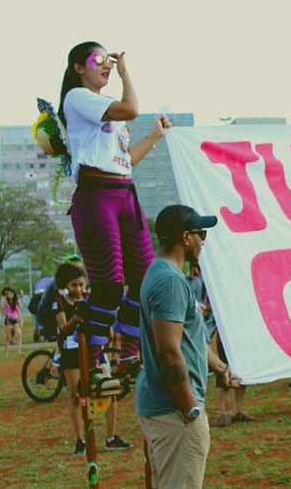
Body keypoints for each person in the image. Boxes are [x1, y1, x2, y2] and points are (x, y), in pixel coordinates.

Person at [57, 41, 171, 382]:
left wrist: (154, 136)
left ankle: (127, 355)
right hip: (96, 196)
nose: (106, 66)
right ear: (78, 67)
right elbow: (131, 108)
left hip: (124, 193)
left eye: (109, 61)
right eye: (98, 60)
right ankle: (92, 362)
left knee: (144, 281)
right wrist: (125, 72)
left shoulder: (106, 112)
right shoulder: (78, 98)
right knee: (109, 286)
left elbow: (125, 159)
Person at [136, 205, 236, 488]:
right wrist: (190, 408)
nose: (202, 239)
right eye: (199, 232)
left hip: (163, 405)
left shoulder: (161, 273)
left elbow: (187, 339)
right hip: (175, 410)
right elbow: (168, 350)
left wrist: (221, 368)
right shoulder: (170, 281)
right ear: (184, 237)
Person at [54, 262, 131, 455]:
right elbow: (63, 329)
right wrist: (76, 318)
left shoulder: (91, 299)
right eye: (74, 285)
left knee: (110, 389)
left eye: (81, 284)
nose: (78, 289)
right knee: (75, 396)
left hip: (95, 351)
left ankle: (111, 438)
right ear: (66, 285)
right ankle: (80, 440)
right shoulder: (60, 302)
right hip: (72, 353)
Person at [1, 287, 22, 355]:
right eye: (8, 293)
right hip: (8, 320)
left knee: (19, 335)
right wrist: (6, 314)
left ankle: (19, 351)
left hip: (15, 319)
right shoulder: (6, 301)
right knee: (8, 337)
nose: (9, 294)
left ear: (13, 294)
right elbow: (1, 310)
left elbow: (19, 311)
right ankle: (6, 351)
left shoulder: (16, 301)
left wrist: (20, 320)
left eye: (10, 293)